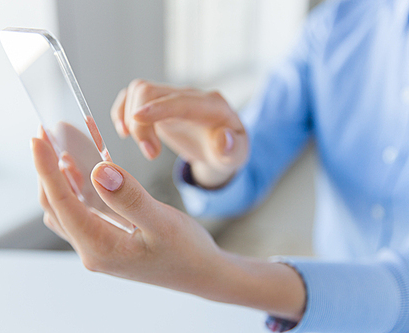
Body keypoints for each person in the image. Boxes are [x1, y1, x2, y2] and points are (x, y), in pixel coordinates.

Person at [30, 0, 409, 332]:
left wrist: (221, 276)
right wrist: (215, 159)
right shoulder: (337, 23)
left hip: (320, 300)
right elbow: (252, 159)